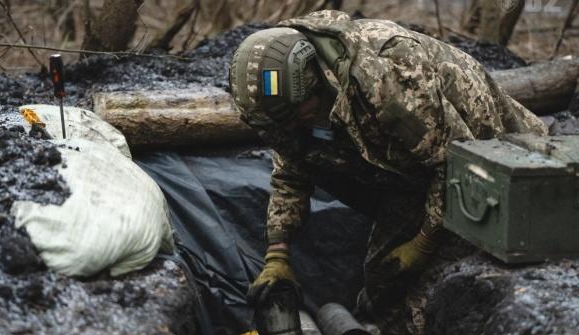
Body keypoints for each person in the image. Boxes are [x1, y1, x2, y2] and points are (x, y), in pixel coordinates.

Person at [229, 10, 547, 316]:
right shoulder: (284, 111)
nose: (289, 128)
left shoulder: (390, 76)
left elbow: (454, 164)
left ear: (314, 80)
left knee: (432, 299)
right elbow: (291, 169)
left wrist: (422, 244)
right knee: (384, 281)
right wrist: (277, 253)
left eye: (296, 116)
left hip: (494, 167)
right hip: (408, 174)